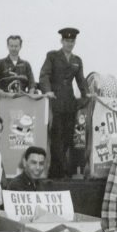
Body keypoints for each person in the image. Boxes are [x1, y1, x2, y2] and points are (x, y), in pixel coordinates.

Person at [39, 27, 89, 178]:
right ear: (62, 41)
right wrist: (47, 91)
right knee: (57, 136)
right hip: (55, 101)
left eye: (72, 41)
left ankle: (57, 171)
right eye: (67, 41)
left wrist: (87, 94)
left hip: (70, 103)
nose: (69, 43)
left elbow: (81, 80)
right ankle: (61, 171)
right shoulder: (53, 56)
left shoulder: (77, 60)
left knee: (67, 137)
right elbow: (44, 75)